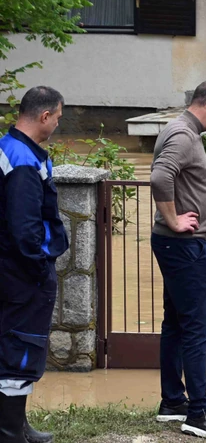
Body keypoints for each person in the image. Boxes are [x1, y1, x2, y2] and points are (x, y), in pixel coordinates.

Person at [150, 80, 206, 442]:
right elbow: (160, 176)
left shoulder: (181, 130)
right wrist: (173, 219)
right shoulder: (184, 135)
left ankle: (173, 401)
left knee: (176, 321)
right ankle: (199, 413)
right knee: (195, 327)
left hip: (178, 244)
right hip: (183, 244)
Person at [0, 86, 67, 443]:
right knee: (20, 349)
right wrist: (40, 269)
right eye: (57, 117)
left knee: (16, 345)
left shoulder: (12, 148)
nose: (58, 123)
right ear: (44, 116)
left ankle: (18, 426)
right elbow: (24, 226)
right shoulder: (23, 161)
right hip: (22, 274)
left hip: (13, 270)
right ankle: (10, 432)